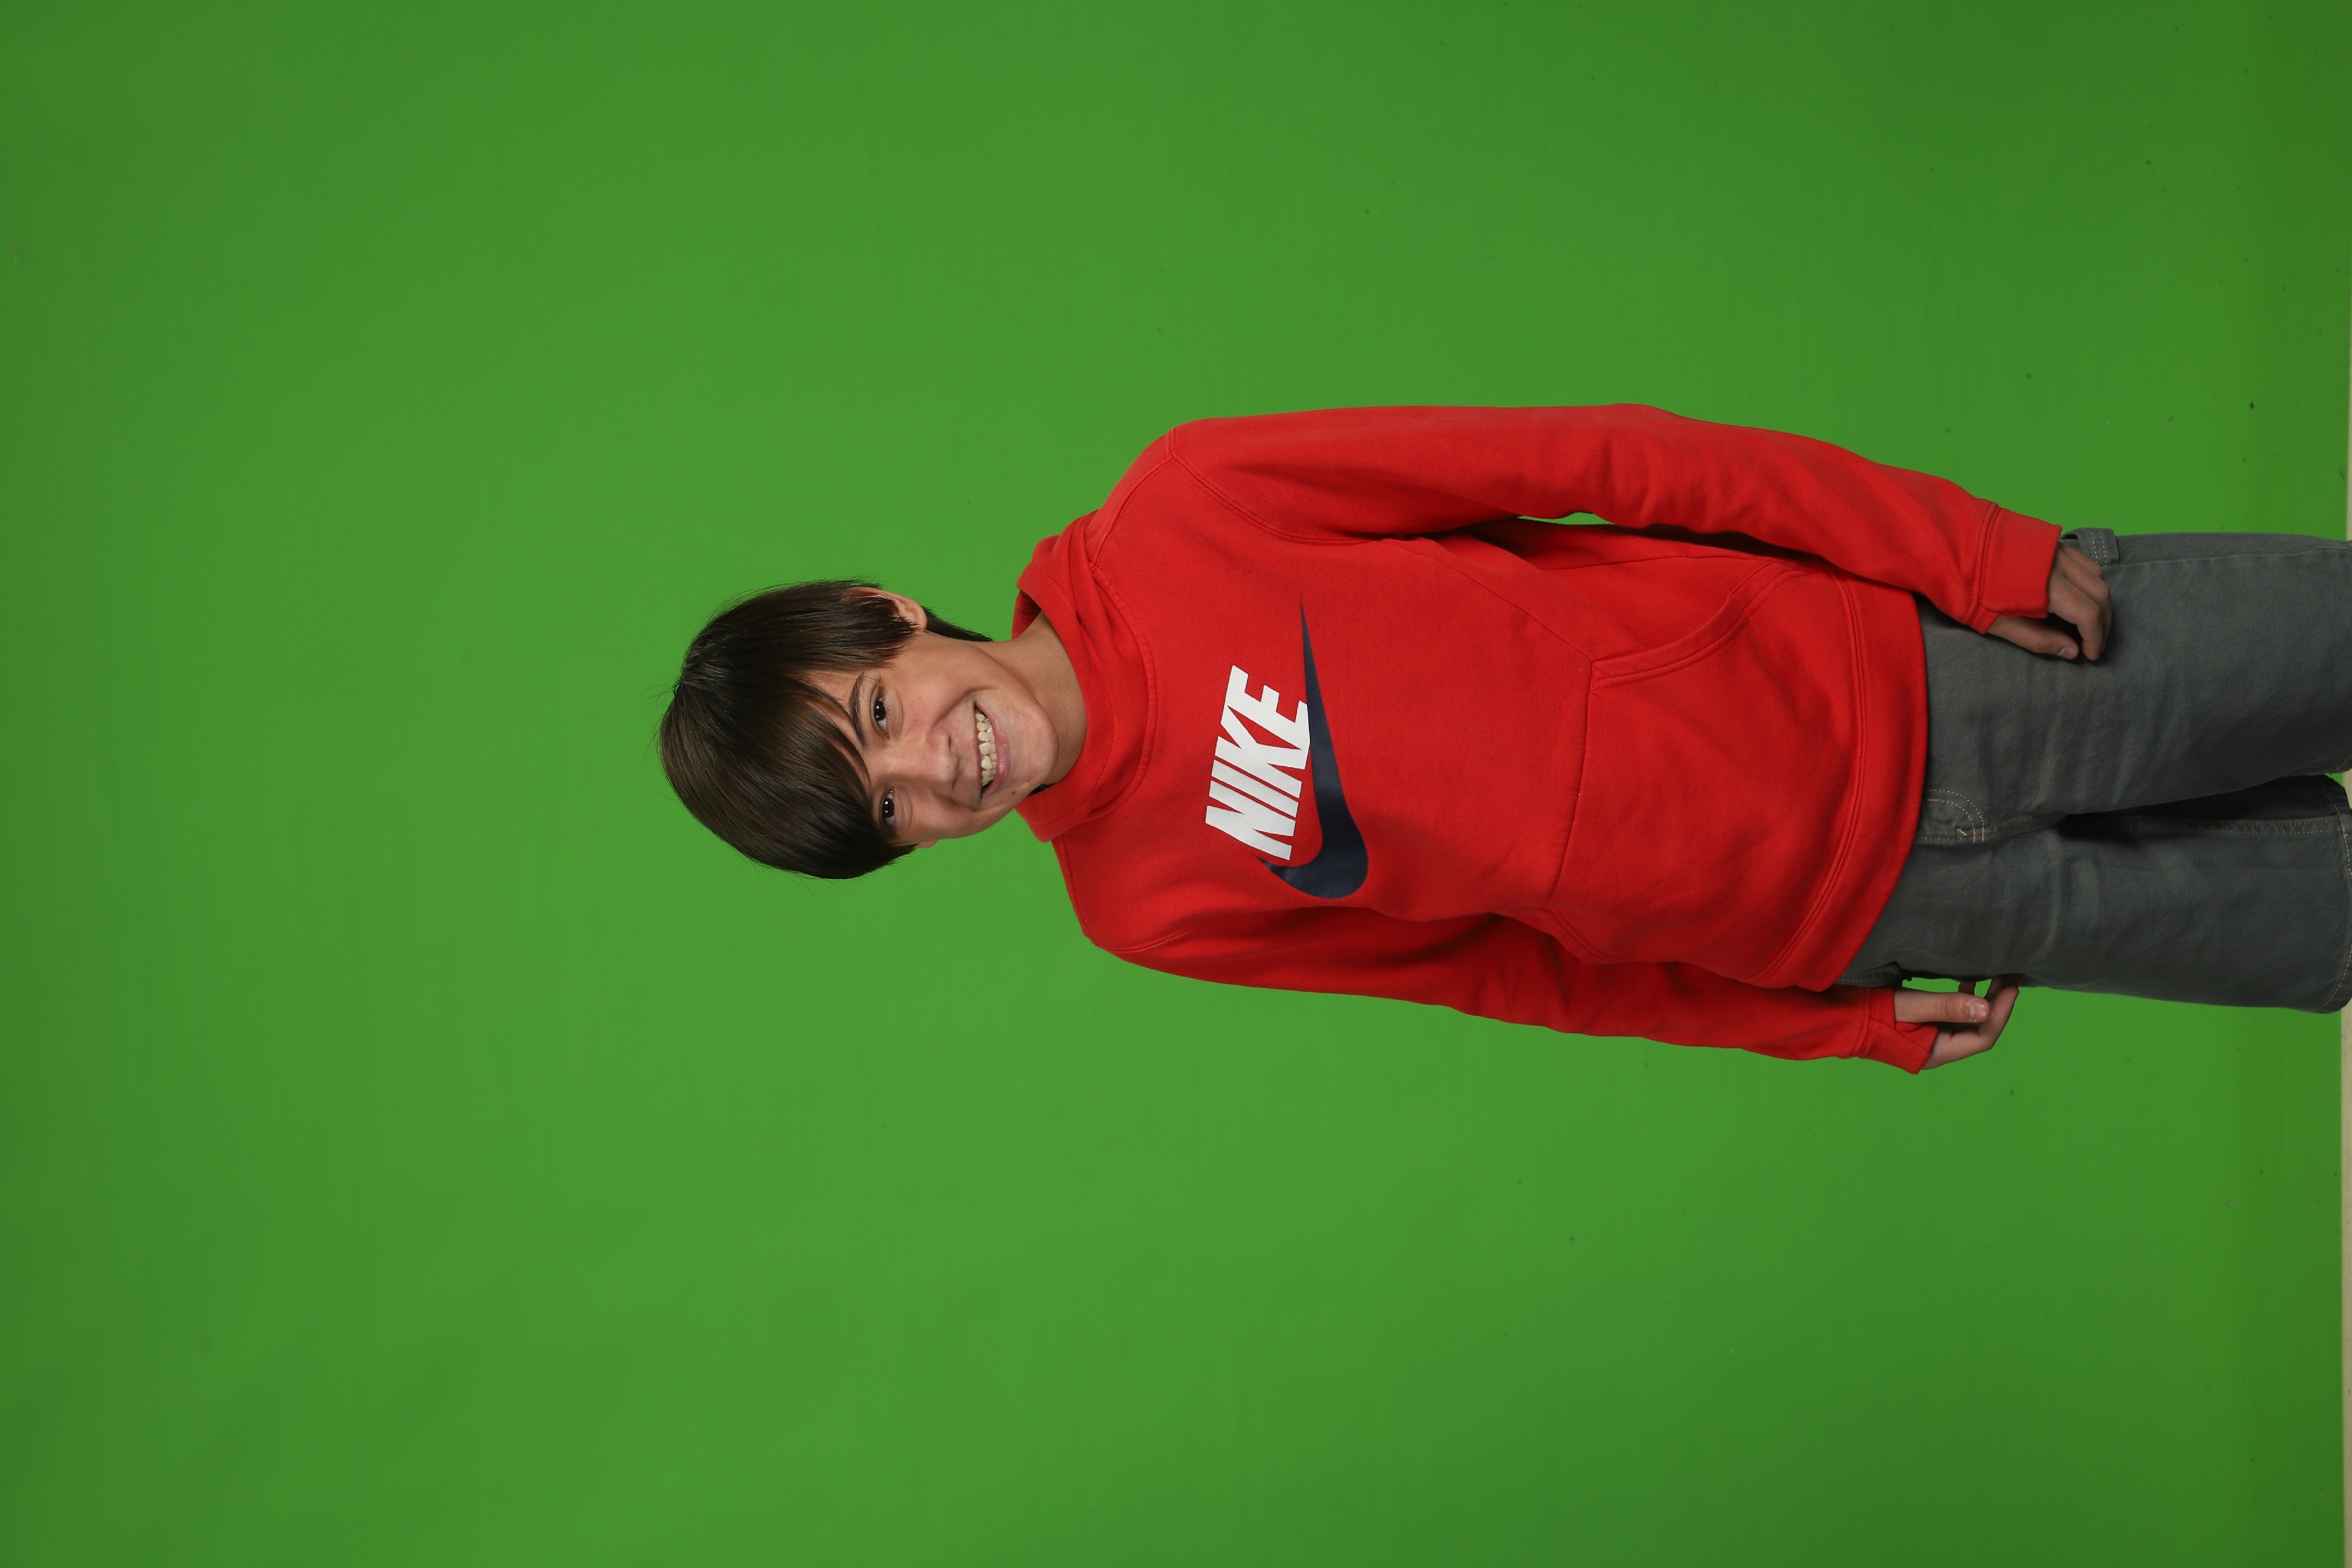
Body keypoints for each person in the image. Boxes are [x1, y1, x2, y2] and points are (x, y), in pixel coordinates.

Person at [658, 405, 2352, 1072]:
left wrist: (1961, 547)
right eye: (891, 813)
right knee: (2324, 931)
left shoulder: (1187, 510)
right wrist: (1827, 1025)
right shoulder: (1142, 907)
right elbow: (1508, 974)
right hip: (1882, 915)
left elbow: (1604, 459)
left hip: (1926, 678)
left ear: (886, 613)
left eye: (879, 716)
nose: (936, 769)